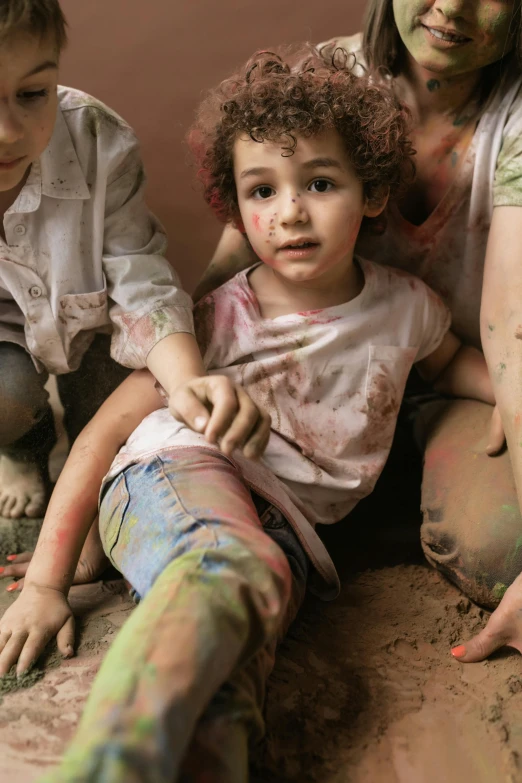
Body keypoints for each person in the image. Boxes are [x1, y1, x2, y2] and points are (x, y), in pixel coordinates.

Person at [0, 47, 502, 782]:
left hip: (290, 534)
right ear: (237, 209)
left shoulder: (408, 308)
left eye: (320, 183)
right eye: (261, 192)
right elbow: (109, 432)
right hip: (178, 470)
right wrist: (45, 583)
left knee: (244, 650)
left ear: (370, 193)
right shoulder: (217, 318)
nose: (290, 211)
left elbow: (457, 365)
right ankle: (115, 764)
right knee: (227, 565)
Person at [192, 0, 522, 664]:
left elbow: (510, 328)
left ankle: (393, 501)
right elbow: (231, 265)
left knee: (499, 550)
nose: (452, 6)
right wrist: (178, 371)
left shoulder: (512, 120)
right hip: (314, 380)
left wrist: (509, 406)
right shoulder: (330, 78)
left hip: (443, 373)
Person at [0, 0, 265, 531]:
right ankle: (22, 450)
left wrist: (187, 380)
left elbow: (139, 276)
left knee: (124, 426)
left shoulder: (98, 139)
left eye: (32, 94)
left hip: (93, 319)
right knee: (7, 401)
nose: (8, 130)